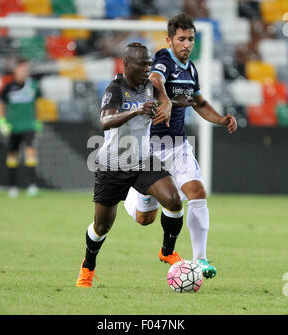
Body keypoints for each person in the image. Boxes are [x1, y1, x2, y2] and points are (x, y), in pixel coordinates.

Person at [124, 13, 238, 279]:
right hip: (149, 148)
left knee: (197, 192)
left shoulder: (192, 70)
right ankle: (130, 191)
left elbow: (197, 102)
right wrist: (164, 100)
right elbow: (154, 79)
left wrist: (221, 120)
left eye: (191, 39)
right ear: (170, 40)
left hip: (177, 145)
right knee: (145, 218)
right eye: (182, 39)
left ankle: (201, 260)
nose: (187, 44)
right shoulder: (164, 59)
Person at [76, 42, 184, 288]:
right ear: (126, 64)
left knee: (174, 200)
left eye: (149, 62)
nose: (147, 67)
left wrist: (166, 108)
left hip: (143, 159)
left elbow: (166, 100)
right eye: (142, 63)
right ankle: (88, 267)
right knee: (102, 226)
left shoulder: (151, 85)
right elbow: (105, 121)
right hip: (113, 164)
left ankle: (167, 251)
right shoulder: (115, 88)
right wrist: (136, 112)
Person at [0, 57, 41, 198]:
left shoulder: (33, 86)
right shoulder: (8, 88)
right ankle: (13, 187)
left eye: (26, 69)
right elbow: (1, 106)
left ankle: (32, 186)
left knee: (31, 153)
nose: (24, 71)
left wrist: (38, 122)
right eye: (22, 68)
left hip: (29, 126)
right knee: (12, 157)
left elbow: (37, 104)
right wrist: (2, 122)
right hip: (13, 127)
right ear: (16, 70)